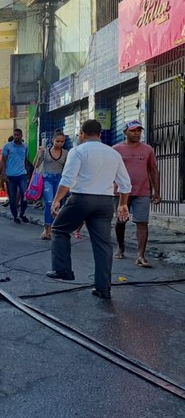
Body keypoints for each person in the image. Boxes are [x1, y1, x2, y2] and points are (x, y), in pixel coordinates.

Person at [47, 119, 131, 300]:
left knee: (59, 229)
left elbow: (68, 179)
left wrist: (57, 200)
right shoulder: (113, 153)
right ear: (99, 134)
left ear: (83, 134)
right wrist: (123, 204)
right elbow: (125, 184)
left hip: (82, 199)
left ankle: (63, 270)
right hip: (105, 202)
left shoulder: (78, 151)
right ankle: (103, 288)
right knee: (103, 244)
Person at [112, 120, 161, 267]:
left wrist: (157, 191)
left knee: (142, 222)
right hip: (121, 193)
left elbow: (153, 170)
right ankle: (120, 247)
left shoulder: (147, 150)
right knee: (121, 221)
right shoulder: (116, 149)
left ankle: (141, 255)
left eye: (139, 130)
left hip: (142, 191)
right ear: (125, 132)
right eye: (133, 130)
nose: (136, 133)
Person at [33, 130, 68, 240]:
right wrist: (39, 154)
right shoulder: (45, 151)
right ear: (53, 140)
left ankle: (54, 228)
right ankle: (46, 228)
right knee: (49, 203)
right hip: (47, 179)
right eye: (57, 141)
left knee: (58, 204)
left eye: (62, 142)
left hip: (59, 179)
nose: (59, 143)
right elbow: (36, 165)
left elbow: (67, 169)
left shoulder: (66, 153)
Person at [1, 128, 33, 223]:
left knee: (24, 195)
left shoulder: (25, 147)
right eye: (15, 135)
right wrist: (3, 174)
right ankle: (15, 216)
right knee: (12, 197)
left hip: (22, 174)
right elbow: (3, 161)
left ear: (21, 135)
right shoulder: (7, 146)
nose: (16, 136)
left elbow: (26, 161)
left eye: (18, 135)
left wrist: (28, 173)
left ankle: (22, 213)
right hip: (10, 175)